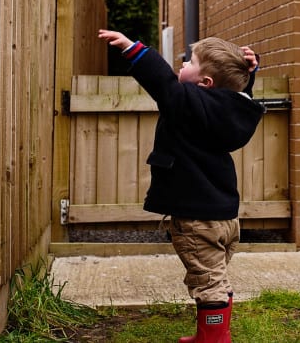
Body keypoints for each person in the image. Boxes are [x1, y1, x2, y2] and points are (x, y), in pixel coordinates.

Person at [98, 29, 264, 342]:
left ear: (205, 83)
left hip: (197, 217)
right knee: (214, 276)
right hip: (226, 216)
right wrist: (248, 75)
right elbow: (235, 95)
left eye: (190, 62)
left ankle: (213, 339)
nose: (182, 64)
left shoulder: (188, 104)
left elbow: (162, 83)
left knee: (208, 281)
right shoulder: (233, 110)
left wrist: (134, 49)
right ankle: (214, 333)